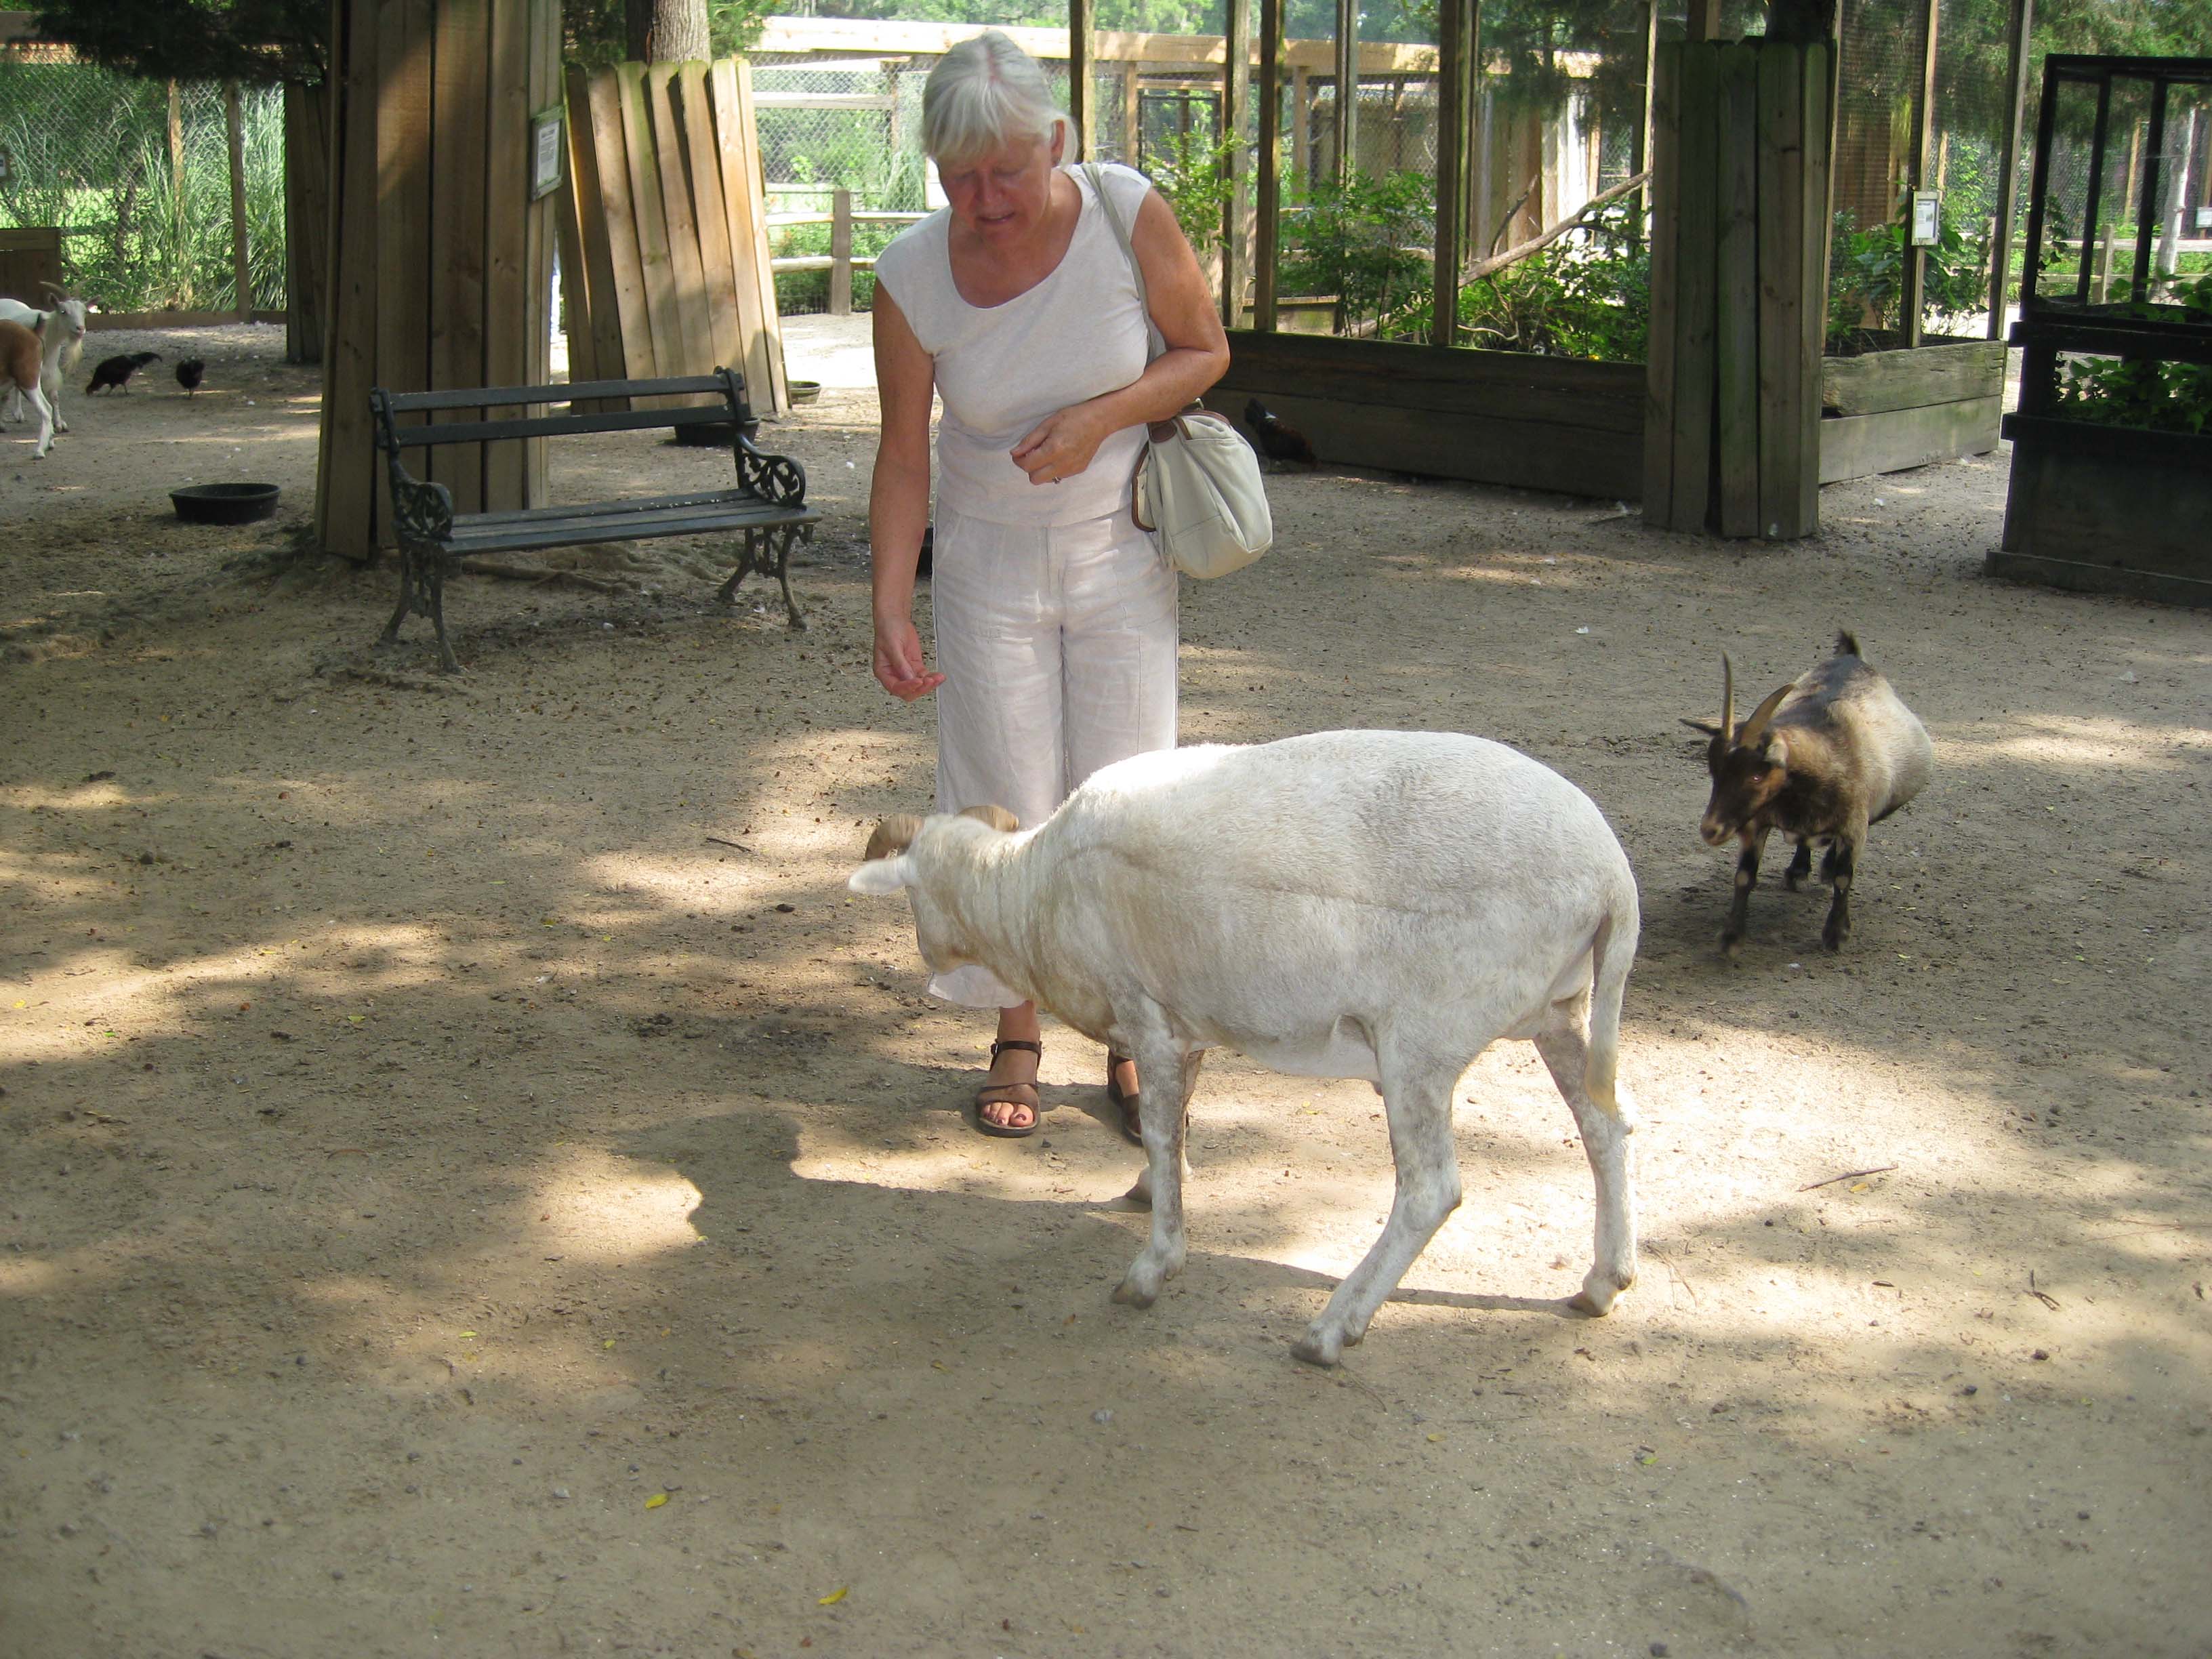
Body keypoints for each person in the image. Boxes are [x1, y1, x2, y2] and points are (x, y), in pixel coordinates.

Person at [868, 30, 1229, 1139]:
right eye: (959, 177)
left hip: (1120, 549)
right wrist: (890, 600)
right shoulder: (911, 276)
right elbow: (902, 453)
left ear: (1057, 142)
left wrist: (1097, 420)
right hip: (986, 563)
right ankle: (1015, 1028)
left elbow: (1203, 349)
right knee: (1003, 795)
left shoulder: (1126, 213)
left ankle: (1129, 1029)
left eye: (1007, 171)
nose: (985, 201)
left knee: (1126, 797)